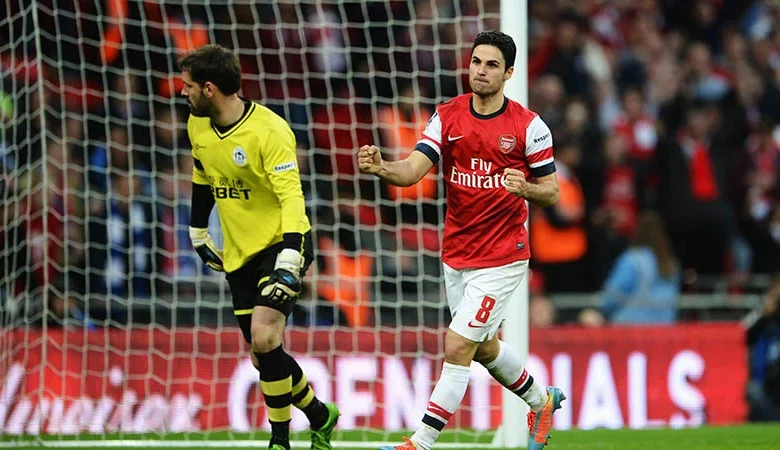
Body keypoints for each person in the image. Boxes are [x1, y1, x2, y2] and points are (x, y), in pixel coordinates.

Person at [358, 31, 566, 450]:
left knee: (457, 344)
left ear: (508, 73)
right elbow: (413, 170)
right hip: (457, 254)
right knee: (484, 348)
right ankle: (541, 402)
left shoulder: (529, 126)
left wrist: (525, 188)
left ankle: (420, 443)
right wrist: (382, 168)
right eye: (476, 62)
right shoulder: (447, 116)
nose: (481, 71)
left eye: (491, 65)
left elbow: (552, 192)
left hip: (503, 256)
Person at [179, 44, 339, 450]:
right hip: (239, 253)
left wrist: (290, 252)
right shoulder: (197, 125)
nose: (183, 92)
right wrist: (197, 229)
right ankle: (320, 415)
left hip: (282, 242)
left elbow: (291, 197)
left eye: (189, 85)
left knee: (265, 337)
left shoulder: (270, 131)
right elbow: (203, 173)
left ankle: (279, 442)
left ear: (209, 88)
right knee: (261, 354)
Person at [600, 211, 680, 325]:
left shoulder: (632, 259)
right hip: (664, 327)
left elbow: (614, 294)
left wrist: (604, 312)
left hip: (632, 327)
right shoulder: (670, 263)